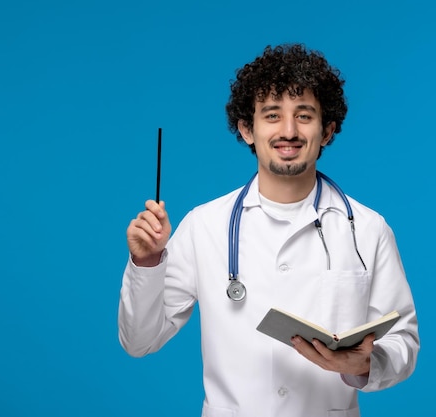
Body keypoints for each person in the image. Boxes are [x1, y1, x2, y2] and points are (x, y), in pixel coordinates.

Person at [119, 43, 419, 417]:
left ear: (327, 131)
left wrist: (362, 365)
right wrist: (147, 262)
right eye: (272, 115)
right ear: (247, 129)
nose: (289, 131)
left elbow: (403, 342)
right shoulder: (204, 226)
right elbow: (139, 341)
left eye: (305, 116)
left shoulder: (368, 229)